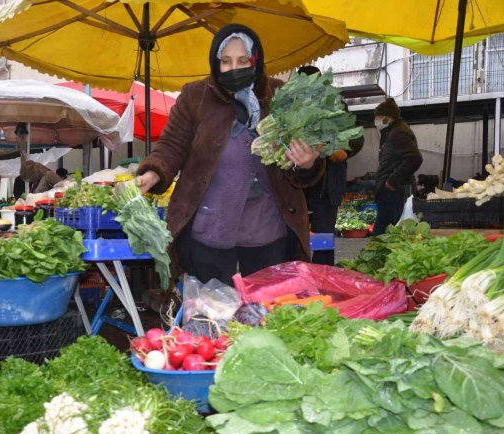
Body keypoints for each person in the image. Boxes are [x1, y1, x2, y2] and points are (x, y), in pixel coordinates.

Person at [136, 24, 324, 285]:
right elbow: (172, 144)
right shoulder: (195, 96)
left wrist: (307, 164)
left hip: (267, 231)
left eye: (243, 60)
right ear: (215, 62)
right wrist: (153, 173)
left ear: (255, 61)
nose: (234, 68)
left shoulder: (279, 96)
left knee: (266, 315)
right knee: (212, 314)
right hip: (209, 229)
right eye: (225, 61)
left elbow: (302, 159)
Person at [298, 66, 364, 266]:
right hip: (298, 187)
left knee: (323, 241)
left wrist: (344, 151)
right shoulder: (293, 107)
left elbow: (356, 136)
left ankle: (323, 277)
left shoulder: (336, 105)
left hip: (326, 189)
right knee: (296, 239)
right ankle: (297, 277)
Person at [372, 98, 423, 236]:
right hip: (390, 192)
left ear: (388, 118)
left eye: (379, 117)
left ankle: (382, 256)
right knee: (385, 233)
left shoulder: (400, 132)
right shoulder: (391, 132)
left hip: (396, 192)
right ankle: (381, 256)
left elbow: (415, 158)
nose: (376, 120)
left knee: (391, 233)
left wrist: (392, 181)